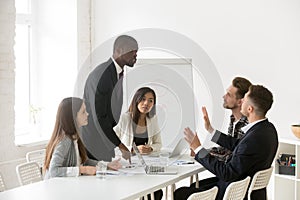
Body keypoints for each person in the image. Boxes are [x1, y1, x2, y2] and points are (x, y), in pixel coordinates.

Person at [174, 85, 278, 200]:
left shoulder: (253, 139)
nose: (241, 101)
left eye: (244, 99)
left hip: (233, 192)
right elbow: (239, 145)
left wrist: (198, 149)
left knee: (181, 194)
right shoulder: (268, 129)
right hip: (244, 186)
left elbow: (226, 172)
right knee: (193, 187)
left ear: (250, 109)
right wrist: (211, 130)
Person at [82, 35, 138, 162]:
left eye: (136, 52)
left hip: (103, 140)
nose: (135, 56)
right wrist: (120, 145)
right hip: (93, 143)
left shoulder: (116, 72)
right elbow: (100, 117)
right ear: (119, 50)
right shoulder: (102, 75)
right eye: (132, 52)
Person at [43, 97, 121, 179]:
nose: (87, 114)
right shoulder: (64, 140)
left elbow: (84, 161)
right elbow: (54, 171)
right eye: (83, 112)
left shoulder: (75, 137)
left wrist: (107, 165)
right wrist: (83, 170)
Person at [206, 77, 252, 162]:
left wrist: (205, 156)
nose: (224, 97)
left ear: (240, 102)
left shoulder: (247, 125)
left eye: (229, 95)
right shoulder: (233, 119)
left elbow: (233, 156)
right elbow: (227, 148)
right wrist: (203, 152)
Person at [114, 87, 162, 154]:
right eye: (143, 99)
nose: (146, 103)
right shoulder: (124, 118)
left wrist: (150, 148)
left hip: (145, 160)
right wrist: (133, 150)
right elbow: (112, 143)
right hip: (126, 159)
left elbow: (158, 144)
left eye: (150, 100)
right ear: (136, 100)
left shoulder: (153, 119)